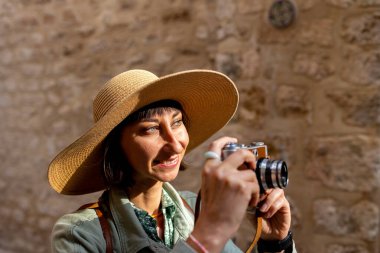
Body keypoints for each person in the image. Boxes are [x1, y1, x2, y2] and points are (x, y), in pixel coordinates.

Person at [48, 69, 296, 253]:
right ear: (116, 148)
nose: (176, 144)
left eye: (177, 122)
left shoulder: (193, 208)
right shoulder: (81, 234)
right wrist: (208, 234)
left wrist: (276, 242)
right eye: (150, 129)